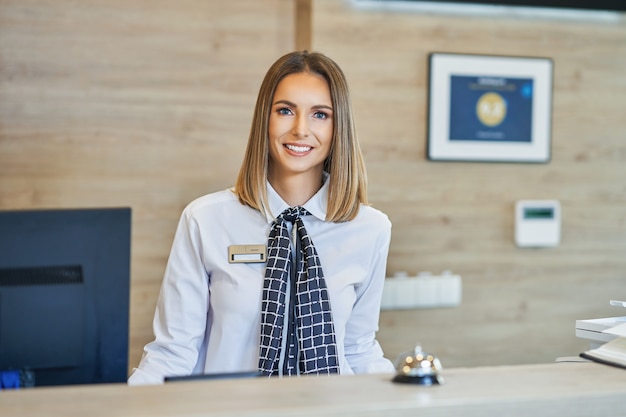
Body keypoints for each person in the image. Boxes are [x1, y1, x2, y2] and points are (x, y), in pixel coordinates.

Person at [128, 50, 394, 385]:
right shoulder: (204, 220)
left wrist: (414, 398)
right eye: (285, 111)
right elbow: (173, 351)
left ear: (339, 126)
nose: (300, 129)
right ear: (263, 120)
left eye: (320, 115)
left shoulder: (370, 229)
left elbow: (358, 348)